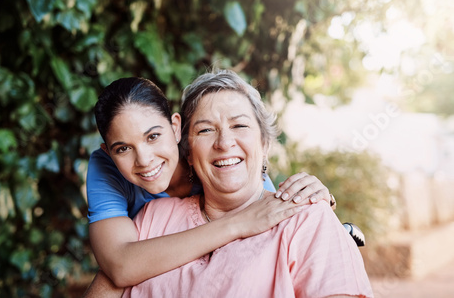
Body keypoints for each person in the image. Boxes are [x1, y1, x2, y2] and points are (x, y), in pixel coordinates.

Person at [116, 70, 373, 297]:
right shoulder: (153, 218)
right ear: (189, 153)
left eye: (239, 125)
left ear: (264, 144)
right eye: (205, 130)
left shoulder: (306, 217)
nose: (224, 143)